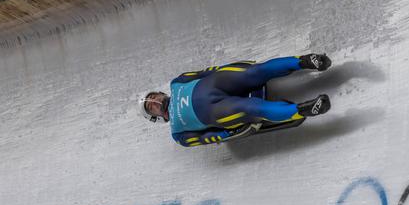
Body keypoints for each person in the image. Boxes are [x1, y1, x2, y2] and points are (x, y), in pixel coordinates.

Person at [139, 53, 332, 147]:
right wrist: (226, 134)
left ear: (160, 93)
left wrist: (229, 68)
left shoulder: (177, 82)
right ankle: (304, 109)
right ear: (156, 117)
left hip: (217, 83)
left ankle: (305, 61)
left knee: (256, 72)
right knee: (251, 107)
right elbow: (204, 138)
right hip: (217, 110)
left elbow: (204, 72)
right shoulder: (178, 134)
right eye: (151, 106)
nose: (155, 102)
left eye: (153, 97)